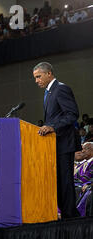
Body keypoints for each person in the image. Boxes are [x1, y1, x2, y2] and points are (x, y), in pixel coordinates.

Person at [34, 61, 81, 219]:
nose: (36, 81)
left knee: (65, 181)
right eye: (35, 78)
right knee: (59, 181)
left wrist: (52, 127)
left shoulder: (61, 89)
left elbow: (72, 114)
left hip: (64, 143)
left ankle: (71, 217)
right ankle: (65, 214)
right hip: (54, 144)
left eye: (39, 76)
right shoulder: (49, 92)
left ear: (49, 74)